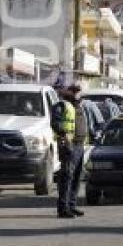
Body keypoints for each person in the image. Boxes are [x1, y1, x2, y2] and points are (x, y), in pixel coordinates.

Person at [53, 85, 87, 219]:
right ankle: (63, 209)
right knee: (67, 177)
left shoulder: (78, 106)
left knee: (76, 178)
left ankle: (71, 205)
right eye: (78, 92)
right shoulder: (62, 105)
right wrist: (63, 135)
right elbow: (55, 123)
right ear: (71, 93)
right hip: (69, 145)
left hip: (79, 145)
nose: (80, 95)